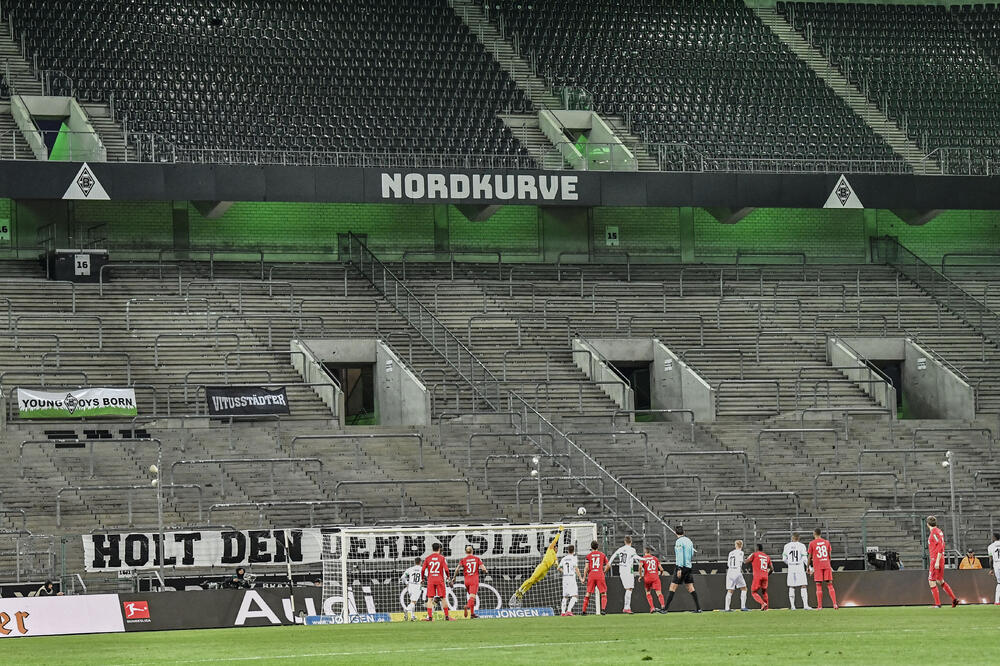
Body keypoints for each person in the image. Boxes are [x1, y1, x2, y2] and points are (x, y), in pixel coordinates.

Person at [660, 526, 701, 613]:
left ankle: (665, 609)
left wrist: (679, 568)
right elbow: (692, 553)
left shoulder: (679, 542)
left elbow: (679, 555)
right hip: (689, 566)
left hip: (681, 567)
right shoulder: (689, 540)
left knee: (672, 587)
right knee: (690, 587)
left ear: (675, 532)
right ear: (684, 532)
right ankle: (698, 608)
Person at [926, 516, 958, 608]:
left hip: (936, 559)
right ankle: (954, 599)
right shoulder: (939, 531)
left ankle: (937, 604)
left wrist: (936, 561)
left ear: (927, 524)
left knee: (931, 581)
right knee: (940, 580)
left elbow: (941, 545)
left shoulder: (934, 533)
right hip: (940, 558)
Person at [607, 535, 640, 614]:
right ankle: (626, 607)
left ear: (625, 541)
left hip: (621, 570)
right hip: (629, 570)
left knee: (628, 589)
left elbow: (613, 556)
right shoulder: (632, 549)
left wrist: (609, 564)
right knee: (629, 588)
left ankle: (627, 607)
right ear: (631, 541)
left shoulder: (620, 549)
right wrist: (641, 565)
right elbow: (636, 559)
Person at [454, 545, 487, 619]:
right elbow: (483, 569)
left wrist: (454, 578)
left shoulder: (463, 560)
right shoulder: (477, 559)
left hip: (466, 580)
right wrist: (486, 571)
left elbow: (457, 569)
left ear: (466, 552)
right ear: (472, 551)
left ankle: (472, 614)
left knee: (471, 596)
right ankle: (467, 606)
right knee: (472, 597)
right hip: (474, 580)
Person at [807, 528, 838, 610]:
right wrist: (828, 562)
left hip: (818, 565)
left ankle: (820, 606)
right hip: (826, 564)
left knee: (818, 585)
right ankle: (835, 604)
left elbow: (809, 557)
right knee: (830, 584)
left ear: (814, 533)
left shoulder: (812, 543)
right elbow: (829, 555)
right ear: (820, 533)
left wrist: (808, 567)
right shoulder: (826, 542)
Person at [421, 543, 452, 621]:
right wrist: (448, 577)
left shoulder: (428, 558)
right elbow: (446, 569)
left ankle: (430, 617)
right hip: (439, 579)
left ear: (432, 549)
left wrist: (422, 579)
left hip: (431, 579)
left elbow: (423, 569)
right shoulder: (442, 558)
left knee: (430, 599)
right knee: (443, 598)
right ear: (439, 549)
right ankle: (447, 617)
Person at [782, 532, 812, 610]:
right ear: (798, 538)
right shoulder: (801, 546)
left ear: (792, 538)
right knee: (803, 585)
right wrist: (809, 567)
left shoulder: (787, 546)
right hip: (799, 566)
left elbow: (784, 559)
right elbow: (805, 559)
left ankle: (793, 606)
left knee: (792, 586)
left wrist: (790, 563)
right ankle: (805, 605)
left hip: (791, 566)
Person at [581, 540, 609, 615]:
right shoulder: (602, 555)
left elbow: (586, 568)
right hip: (600, 574)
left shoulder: (588, 556)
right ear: (598, 547)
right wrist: (604, 572)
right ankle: (603, 610)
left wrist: (584, 577)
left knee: (588, 593)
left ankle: (583, 611)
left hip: (591, 575)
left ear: (591, 547)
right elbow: (608, 565)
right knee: (603, 593)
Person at [724, 539, 749, 612]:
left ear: (735, 545)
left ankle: (727, 608)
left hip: (730, 571)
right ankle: (743, 607)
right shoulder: (741, 553)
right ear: (741, 545)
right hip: (736, 570)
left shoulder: (731, 553)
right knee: (744, 588)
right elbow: (742, 562)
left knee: (730, 590)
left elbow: (728, 563)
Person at [746, 544, 773, 611]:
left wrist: (748, 557)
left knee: (753, 592)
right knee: (764, 592)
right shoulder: (767, 556)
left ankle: (763, 603)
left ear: (757, 548)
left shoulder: (754, 554)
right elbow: (772, 569)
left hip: (757, 576)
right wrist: (767, 574)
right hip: (765, 575)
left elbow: (746, 562)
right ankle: (766, 608)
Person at [639, 545, 665, 614]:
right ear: (650, 551)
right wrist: (661, 573)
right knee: (659, 593)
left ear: (645, 551)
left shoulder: (643, 558)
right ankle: (663, 607)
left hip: (647, 578)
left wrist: (641, 576)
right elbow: (661, 569)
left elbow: (640, 567)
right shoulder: (655, 558)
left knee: (648, 593)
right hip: (655, 578)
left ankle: (652, 607)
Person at [558, 544, 583, 616]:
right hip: (571, 577)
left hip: (565, 577)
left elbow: (558, 568)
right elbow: (576, 569)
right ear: (573, 550)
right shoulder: (574, 558)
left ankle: (562, 612)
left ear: (567, 550)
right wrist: (580, 578)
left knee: (565, 596)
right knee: (575, 595)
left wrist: (564, 572)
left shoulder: (564, 558)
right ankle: (569, 610)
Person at [400, 556, 423, 621]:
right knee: (413, 602)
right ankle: (406, 609)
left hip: (410, 586)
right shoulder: (422, 569)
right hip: (417, 586)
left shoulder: (410, 569)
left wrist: (407, 583)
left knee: (412, 601)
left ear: (414, 562)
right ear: (420, 562)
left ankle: (412, 616)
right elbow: (428, 575)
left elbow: (402, 577)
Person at [988, 533, 1000, 605]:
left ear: (994, 538)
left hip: (996, 564)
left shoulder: (990, 546)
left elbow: (990, 559)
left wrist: (991, 569)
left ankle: (997, 601)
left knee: (999, 583)